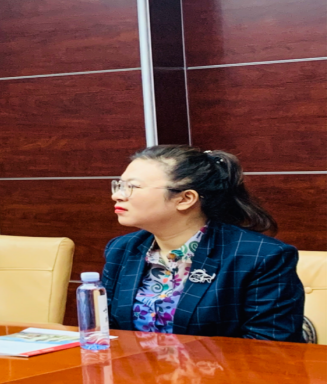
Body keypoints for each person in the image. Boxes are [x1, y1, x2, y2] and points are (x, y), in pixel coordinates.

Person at [102, 145, 304, 342]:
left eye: (132, 187)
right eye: (120, 186)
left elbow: (268, 346)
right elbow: (106, 330)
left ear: (185, 198)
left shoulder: (261, 257)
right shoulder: (122, 249)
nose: (117, 195)